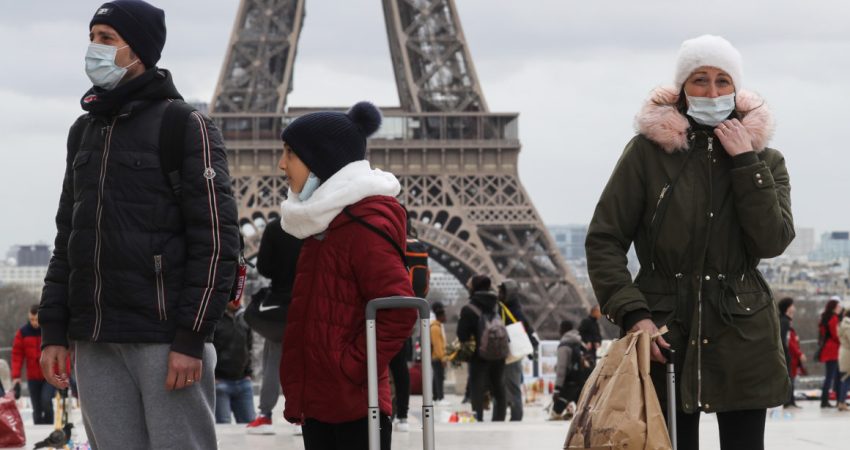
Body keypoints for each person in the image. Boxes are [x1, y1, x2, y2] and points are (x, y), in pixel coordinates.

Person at [38, 2, 240, 448]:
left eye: (107, 38)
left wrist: (192, 337)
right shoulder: (83, 131)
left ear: (139, 51)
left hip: (164, 339)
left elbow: (217, 239)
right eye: (92, 38)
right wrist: (53, 328)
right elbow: (68, 237)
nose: (94, 48)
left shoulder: (185, 125)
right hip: (95, 337)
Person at [586, 35, 793, 450]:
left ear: (736, 89)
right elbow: (605, 238)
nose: (712, 92)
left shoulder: (766, 160)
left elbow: (772, 241)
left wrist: (745, 162)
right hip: (664, 331)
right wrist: (634, 314)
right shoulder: (647, 154)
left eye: (722, 80)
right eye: (700, 79)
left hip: (742, 331)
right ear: (682, 89)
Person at [277, 101, 417, 450]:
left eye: (290, 153)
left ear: (321, 160)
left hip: (354, 405)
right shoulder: (322, 225)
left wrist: (350, 367)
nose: (281, 164)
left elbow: (399, 309)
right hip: (320, 402)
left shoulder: (361, 226)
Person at [247, 217, 303, 434]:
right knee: (306, 360)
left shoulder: (274, 227)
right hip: (308, 300)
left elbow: (264, 267)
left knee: (272, 357)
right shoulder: (315, 224)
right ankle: (302, 414)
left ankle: (265, 415)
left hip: (279, 303)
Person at [457, 275, 507, 422]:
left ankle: (477, 418)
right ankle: (499, 419)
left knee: (477, 388)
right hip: (499, 353)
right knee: (498, 386)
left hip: (478, 355)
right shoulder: (498, 305)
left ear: (474, 288)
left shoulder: (469, 309)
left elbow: (462, 335)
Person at [498, 279, 538, 421]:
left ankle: (515, 416)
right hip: (510, 352)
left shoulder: (510, 310)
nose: (499, 294)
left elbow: (526, 328)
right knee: (510, 386)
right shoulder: (513, 309)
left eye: (502, 292)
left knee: (511, 386)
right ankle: (514, 415)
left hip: (510, 352)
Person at [213, 300, 256, 424]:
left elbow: (249, 347)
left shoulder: (246, 317)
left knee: (250, 426)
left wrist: (249, 374)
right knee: (223, 427)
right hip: (220, 384)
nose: (237, 299)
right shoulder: (214, 318)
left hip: (244, 383)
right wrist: (212, 377)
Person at [11, 305, 54, 424]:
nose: (34, 322)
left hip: (49, 376)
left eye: (36, 319)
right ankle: (39, 430)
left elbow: (60, 352)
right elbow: (17, 355)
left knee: (46, 401)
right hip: (32, 377)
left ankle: (49, 427)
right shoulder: (23, 333)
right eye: (31, 319)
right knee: (37, 409)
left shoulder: (49, 331)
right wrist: (16, 377)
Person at [551, 320, 588, 420]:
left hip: (569, 383)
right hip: (581, 380)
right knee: (585, 414)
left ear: (563, 330)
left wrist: (557, 388)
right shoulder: (580, 343)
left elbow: (561, 368)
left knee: (555, 414)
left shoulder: (564, 346)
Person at [778, 297, 804, 409]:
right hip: (786, 355)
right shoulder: (784, 321)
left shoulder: (785, 320)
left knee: (791, 377)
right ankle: (788, 401)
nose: (794, 308)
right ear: (788, 308)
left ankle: (791, 401)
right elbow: (783, 339)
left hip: (787, 354)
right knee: (789, 377)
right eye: (792, 305)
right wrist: (787, 353)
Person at [819, 297, 843, 408]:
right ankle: (836, 400)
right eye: (838, 306)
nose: (840, 308)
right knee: (834, 376)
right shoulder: (834, 318)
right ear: (834, 307)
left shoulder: (825, 318)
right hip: (834, 350)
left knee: (830, 376)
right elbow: (836, 335)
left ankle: (828, 400)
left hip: (828, 349)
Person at [430, 302, 448, 405]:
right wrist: (442, 358)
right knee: (439, 378)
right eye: (444, 316)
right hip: (437, 357)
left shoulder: (437, 326)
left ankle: (436, 397)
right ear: (440, 316)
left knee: (436, 377)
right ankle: (440, 398)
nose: (446, 318)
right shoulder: (435, 328)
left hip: (437, 357)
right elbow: (437, 345)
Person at [838, 307, 850, 411]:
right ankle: (841, 402)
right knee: (846, 378)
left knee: (846, 378)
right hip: (847, 355)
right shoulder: (847, 325)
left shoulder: (844, 324)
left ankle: (842, 401)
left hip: (845, 353)